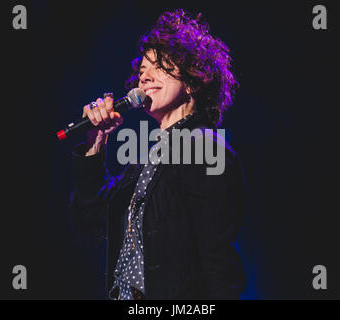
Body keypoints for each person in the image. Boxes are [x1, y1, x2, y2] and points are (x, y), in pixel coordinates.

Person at [70, 9, 246, 300]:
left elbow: (218, 261)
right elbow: (90, 223)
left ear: (192, 80)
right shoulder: (147, 162)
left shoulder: (206, 149)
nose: (145, 77)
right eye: (142, 71)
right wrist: (95, 143)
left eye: (160, 66)